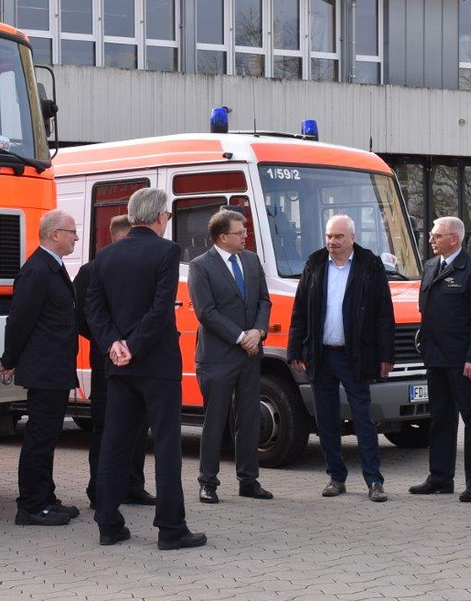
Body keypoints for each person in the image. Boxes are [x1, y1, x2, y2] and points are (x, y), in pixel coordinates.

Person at [85, 188, 206, 550]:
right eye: (167, 215)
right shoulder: (167, 251)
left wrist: (114, 345)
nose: (167, 220)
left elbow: (94, 309)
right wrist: (134, 347)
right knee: (166, 446)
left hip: (118, 366)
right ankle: (171, 528)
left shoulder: (105, 256)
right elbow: (160, 308)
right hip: (157, 365)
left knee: (114, 443)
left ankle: (108, 524)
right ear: (157, 217)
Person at [287, 215, 395, 502]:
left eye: (338, 236)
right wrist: (295, 350)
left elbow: (384, 314)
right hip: (321, 355)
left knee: (363, 419)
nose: (332, 242)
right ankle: (336, 477)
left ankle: (374, 481)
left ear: (352, 237)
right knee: (326, 420)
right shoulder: (315, 263)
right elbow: (300, 311)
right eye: (329, 236)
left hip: (355, 356)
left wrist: (386, 355)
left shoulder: (370, 265)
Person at [0, 209, 82, 526]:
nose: (76, 237)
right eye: (72, 232)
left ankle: (46, 497)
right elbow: (19, 320)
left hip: (55, 368)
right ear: (54, 234)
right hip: (45, 369)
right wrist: (10, 359)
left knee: (48, 437)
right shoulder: (37, 270)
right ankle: (31, 506)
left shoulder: (53, 267)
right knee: (40, 438)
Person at [188, 209, 273, 504]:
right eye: (240, 232)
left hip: (250, 354)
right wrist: (240, 337)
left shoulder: (251, 260)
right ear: (223, 237)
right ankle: (208, 482)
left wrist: (258, 332)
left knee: (249, 419)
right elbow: (206, 312)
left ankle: (248, 480)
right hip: (217, 357)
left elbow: (264, 300)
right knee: (215, 421)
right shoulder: (201, 266)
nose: (245, 235)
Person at [74, 215, 155, 509]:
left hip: (139, 360)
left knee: (138, 426)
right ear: (121, 238)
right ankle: (99, 490)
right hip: (106, 362)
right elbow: (81, 317)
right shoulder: (91, 270)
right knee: (105, 427)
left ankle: (133, 486)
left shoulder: (143, 269)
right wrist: (109, 342)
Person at [410, 216, 471, 502]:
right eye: (432, 235)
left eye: (437, 235)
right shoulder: (431, 266)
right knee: (440, 420)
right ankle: (440, 477)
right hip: (435, 358)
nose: (431, 239)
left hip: (462, 361)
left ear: (454, 239)